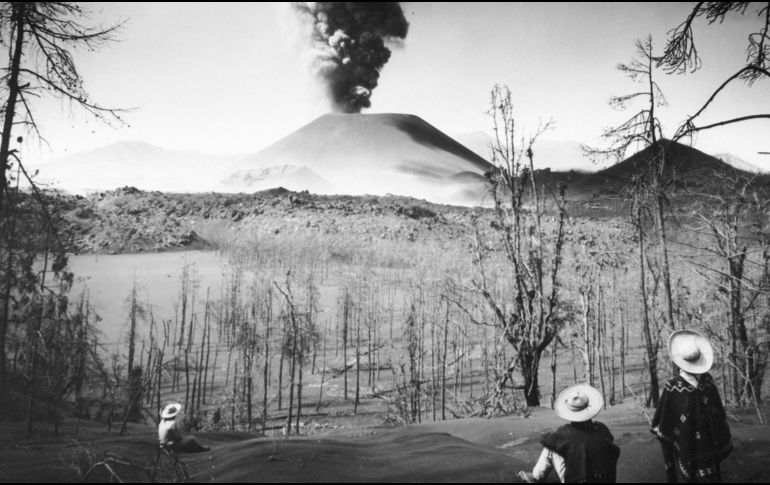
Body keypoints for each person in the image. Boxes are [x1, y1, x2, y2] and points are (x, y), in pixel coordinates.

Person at [651, 330, 732, 483]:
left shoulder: (706, 385)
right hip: (688, 446)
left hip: (706, 447)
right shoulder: (674, 388)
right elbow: (665, 422)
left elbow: (718, 416)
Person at [517, 384, 620, 483]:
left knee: (551, 449)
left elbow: (548, 441)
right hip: (605, 479)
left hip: (578, 480)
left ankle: (535, 477)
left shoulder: (564, 433)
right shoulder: (602, 429)